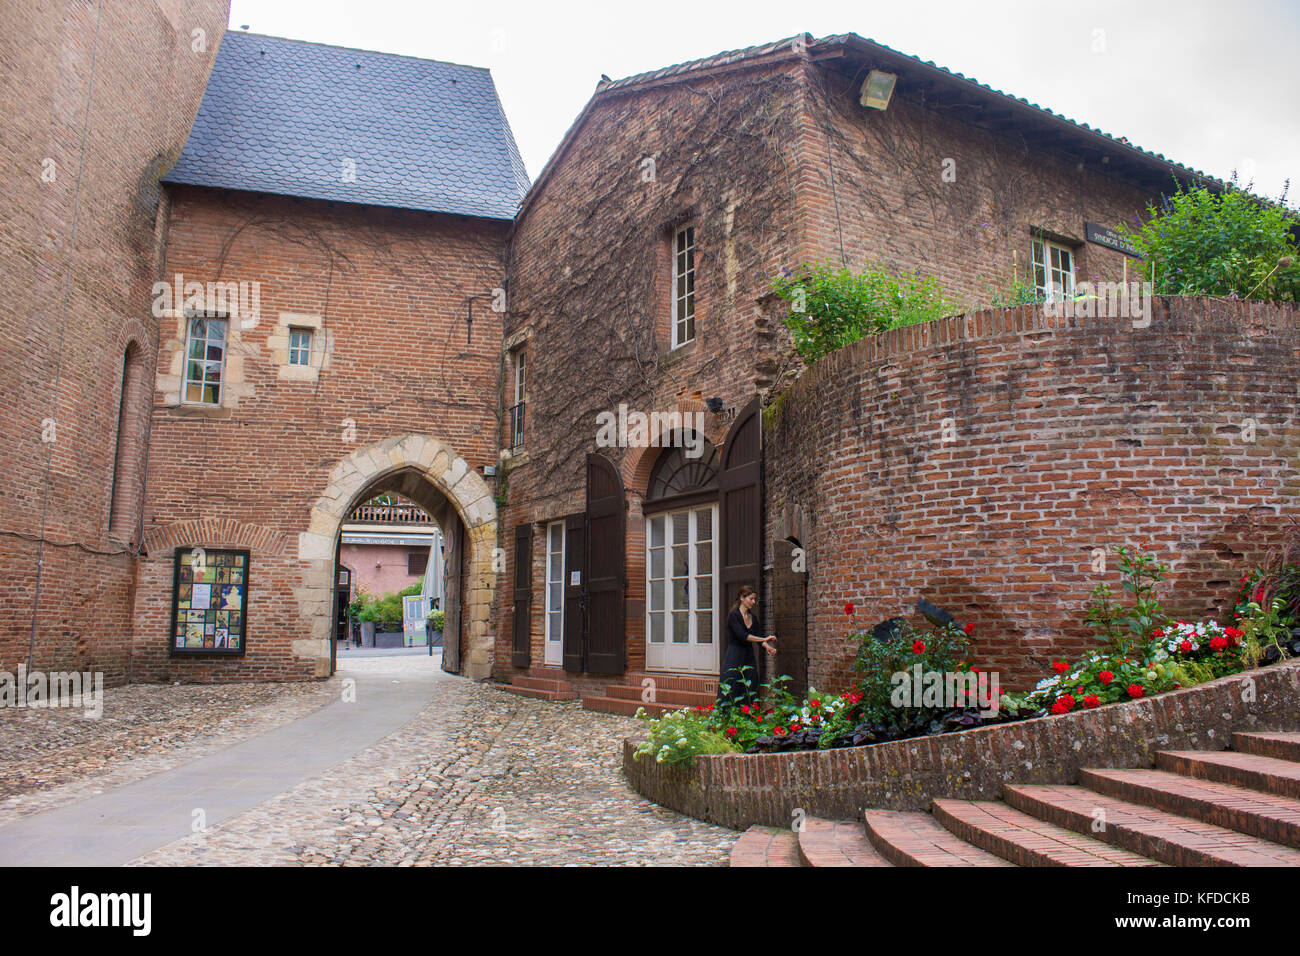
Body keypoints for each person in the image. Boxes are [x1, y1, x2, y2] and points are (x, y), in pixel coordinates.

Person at [717, 585, 776, 708]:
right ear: (742, 598)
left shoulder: (752, 618)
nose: (754, 602)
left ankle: (747, 717)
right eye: (751, 599)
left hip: (748, 657)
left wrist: (767, 646)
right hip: (734, 656)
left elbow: (758, 636)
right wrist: (764, 638)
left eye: (755, 599)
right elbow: (743, 636)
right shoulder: (734, 616)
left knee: (750, 686)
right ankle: (726, 720)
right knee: (731, 686)